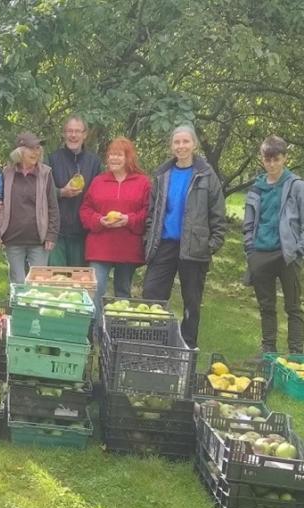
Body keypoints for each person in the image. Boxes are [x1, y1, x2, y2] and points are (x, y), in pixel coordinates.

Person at [142, 124, 226, 348]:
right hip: (165, 244)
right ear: (171, 146)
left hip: (194, 247)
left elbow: (218, 214)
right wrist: (149, 237)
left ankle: (188, 346)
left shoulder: (207, 175)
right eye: (177, 142)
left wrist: (212, 244)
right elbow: (152, 211)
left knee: (192, 301)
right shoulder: (162, 175)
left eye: (185, 141)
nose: (181, 146)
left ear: (194, 144)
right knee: (152, 293)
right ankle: (154, 341)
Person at [79, 137, 150, 325]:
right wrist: (99, 220)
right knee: (96, 289)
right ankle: (92, 333)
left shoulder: (142, 182)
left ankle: (118, 332)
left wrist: (129, 219)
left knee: (123, 291)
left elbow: (148, 212)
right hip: (100, 246)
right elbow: (85, 210)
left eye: (119, 154)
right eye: (111, 154)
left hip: (127, 247)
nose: (114, 158)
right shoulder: (98, 181)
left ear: (128, 157)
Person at [243, 136, 304, 354]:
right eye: (267, 160)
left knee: (293, 307)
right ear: (262, 159)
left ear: (285, 158)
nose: (272, 164)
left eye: (276, 159)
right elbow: (248, 223)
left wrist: (299, 249)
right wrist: (250, 250)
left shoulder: (296, 186)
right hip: (260, 254)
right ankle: (268, 352)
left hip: (288, 254)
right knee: (266, 307)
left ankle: (296, 354)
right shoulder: (256, 188)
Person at [0, 132, 59, 284]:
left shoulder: (45, 173)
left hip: (38, 239)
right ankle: (18, 308)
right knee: (17, 283)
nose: (36, 152)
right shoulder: (6, 173)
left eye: (38, 148)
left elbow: (53, 206)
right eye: (31, 148)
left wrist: (51, 234)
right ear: (19, 151)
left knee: (38, 283)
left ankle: (35, 308)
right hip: (12, 238)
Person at [47, 115, 102, 266]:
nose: (73, 135)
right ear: (64, 134)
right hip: (57, 232)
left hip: (82, 233)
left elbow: (100, 196)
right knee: (56, 280)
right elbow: (41, 192)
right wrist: (61, 192)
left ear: (85, 135)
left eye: (77, 131)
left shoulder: (94, 162)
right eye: (69, 131)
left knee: (79, 282)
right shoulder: (52, 159)